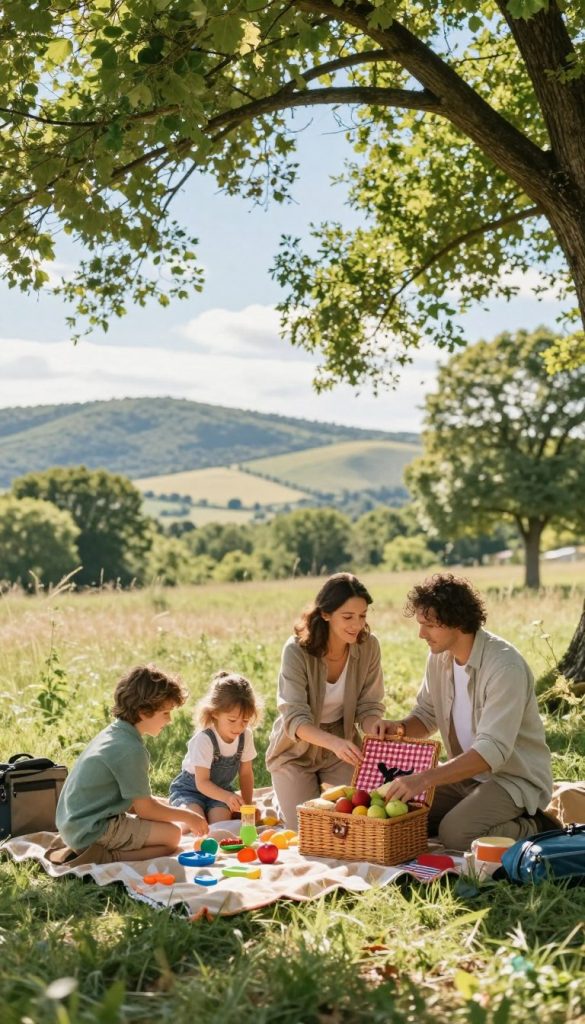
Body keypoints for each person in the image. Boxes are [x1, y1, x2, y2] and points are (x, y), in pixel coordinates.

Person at [374, 574, 553, 851]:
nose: (421, 634)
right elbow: (427, 714)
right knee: (404, 817)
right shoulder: (439, 657)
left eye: (429, 625)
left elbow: (491, 751)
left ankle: (538, 826)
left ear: (457, 622)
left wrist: (424, 778)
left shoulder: (505, 667)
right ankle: (473, 813)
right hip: (464, 776)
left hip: (511, 779)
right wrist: (398, 728)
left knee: (456, 835)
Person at [266, 572, 385, 829]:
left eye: (362, 616)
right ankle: (281, 800)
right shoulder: (296, 650)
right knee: (306, 827)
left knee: (349, 822)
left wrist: (373, 726)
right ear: (326, 614)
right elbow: (295, 717)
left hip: (341, 744)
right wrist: (335, 744)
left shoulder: (369, 647)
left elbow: (369, 706)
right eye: (348, 617)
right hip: (296, 748)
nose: (357, 624)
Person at [55, 664, 209, 863]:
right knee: (172, 836)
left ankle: (102, 850)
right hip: (92, 831)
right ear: (144, 711)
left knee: (167, 821)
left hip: (74, 825)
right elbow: (145, 809)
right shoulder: (130, 750)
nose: (170, 720)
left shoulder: (116, 733)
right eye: (165, 713)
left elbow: (137, 800)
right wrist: (189, 817)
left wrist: (173, 808)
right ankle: (106, 857)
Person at [169, 670, 261, 826]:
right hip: (190, 790)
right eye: (232, 720)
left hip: (220, 791)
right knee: (196, 825)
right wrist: (227, 797)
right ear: (214, 713)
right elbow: (202, 782)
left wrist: (247, 805)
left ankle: (226, 813)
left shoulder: (246, 736)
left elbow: (246, 774)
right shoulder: (204, 739)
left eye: (245, 721)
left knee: (220, 825)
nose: (239, 727)